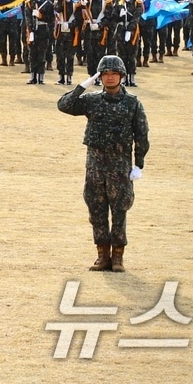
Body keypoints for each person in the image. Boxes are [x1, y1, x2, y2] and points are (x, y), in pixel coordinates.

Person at [57, 54, 149, 273]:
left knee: (119, 210)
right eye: (105, 74)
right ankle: (102, 256)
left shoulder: (132, 103)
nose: (109, 78)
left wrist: (139, 164)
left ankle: (118, 257)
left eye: (114, 74)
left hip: (120, 164)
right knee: (96, 210)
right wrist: (82, 86)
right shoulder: (92, 100)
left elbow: (142, 135)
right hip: (95, 164)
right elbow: (64, 105)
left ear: (121, 76)